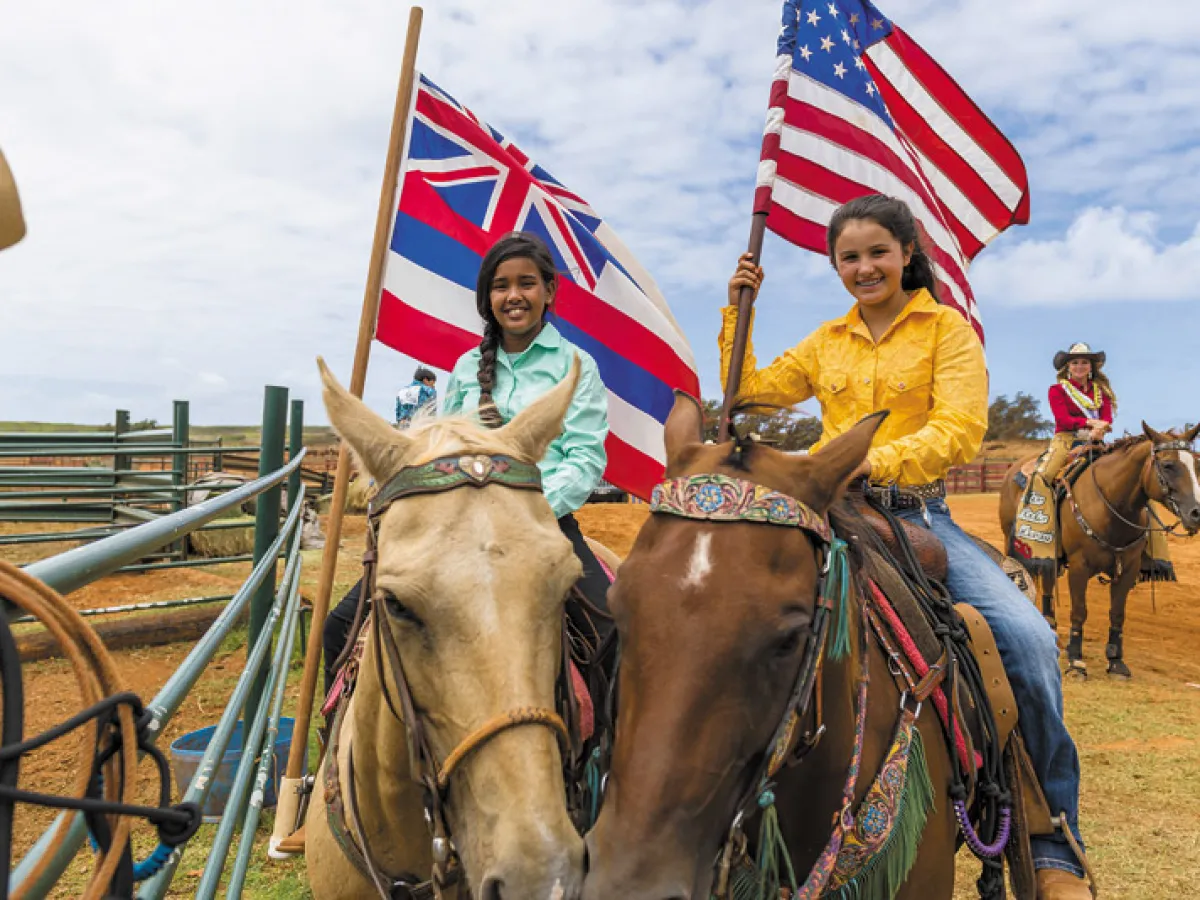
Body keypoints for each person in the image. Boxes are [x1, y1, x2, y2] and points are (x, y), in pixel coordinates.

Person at [722, 194, 1092, 899]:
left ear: (906, 253)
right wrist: (739, 312)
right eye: (849, 258)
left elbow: (959, 428)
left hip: (916, 515)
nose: (864, 268)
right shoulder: (826, 340)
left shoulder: (947, 330)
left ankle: (1054, 842)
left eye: (877, 253)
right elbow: (750, 394)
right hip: (829, 513)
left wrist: (873, 461)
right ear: (836, 266)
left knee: (1028, 640)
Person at [324, 231, 614, 698]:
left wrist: (525, 509)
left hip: (543, 521)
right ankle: (338, 741)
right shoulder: (465, 368)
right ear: (487, 298)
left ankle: (608, 744)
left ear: (549, 291)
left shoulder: (577, 365)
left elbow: (584, 459)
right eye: (501, 285)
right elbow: (443, 449)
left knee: (611, 632)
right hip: (455, 523)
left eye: (526, 283)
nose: (514, 295)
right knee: (339, 626)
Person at [1011, 344, 1115, 571]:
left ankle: (1143, 551)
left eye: (1084, 362)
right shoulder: (1057, 390)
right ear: (1068, 366)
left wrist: (1102, 427)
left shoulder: (1101, 392)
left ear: (1091, 366)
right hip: (1066, 441)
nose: (1080, 366)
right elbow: (1064, 420)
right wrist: (1091, 422)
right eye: (1075, 362)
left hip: (1096, 441)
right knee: (1043, 477)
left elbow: (1107, 418)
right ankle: (1037, 534)